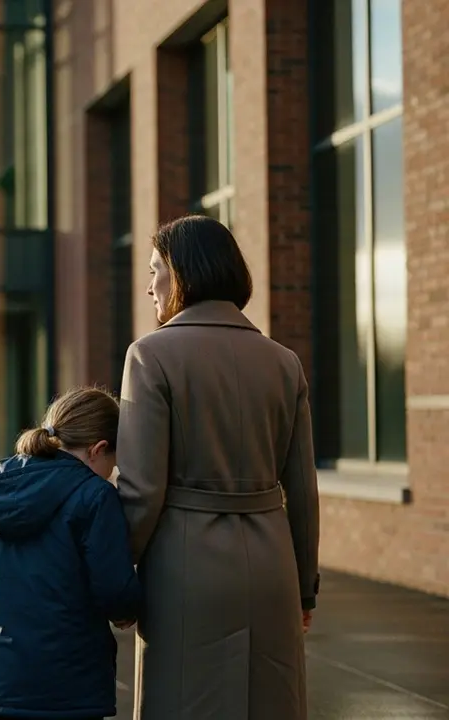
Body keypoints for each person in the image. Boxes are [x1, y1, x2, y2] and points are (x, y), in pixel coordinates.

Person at [116, 214, 320, 719]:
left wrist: (114, 576)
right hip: (273, 568)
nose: (149, 287)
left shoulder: (150, 357)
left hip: (185, 570)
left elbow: (140, 491)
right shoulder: (283, 362)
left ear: (183, 272)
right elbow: (304, 491)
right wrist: (304, 586)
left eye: (155, 270)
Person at [0, 387, 141, 720]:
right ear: (98, 449)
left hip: (1, 679)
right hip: (68, 687)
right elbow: (114, 592)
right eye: (113, 463)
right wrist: (129, 607)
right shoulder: (95, 496)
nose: (112, 473)